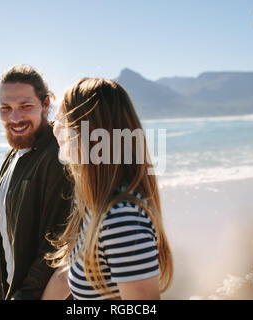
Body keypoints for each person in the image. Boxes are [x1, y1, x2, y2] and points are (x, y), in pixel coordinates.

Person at [42, 78, 173, 300]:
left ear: (88, 131)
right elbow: (66, 274)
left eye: (61, 120)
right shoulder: (94, 206)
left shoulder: (121, 218)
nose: (55, 129)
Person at [0, 65, 72, 300]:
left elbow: (56, 245)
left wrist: (23, 296)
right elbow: (4, 237)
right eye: (6, 108)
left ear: (46, 104)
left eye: (25, 106)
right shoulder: (13, 154)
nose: (15, 118)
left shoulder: (58, 156)